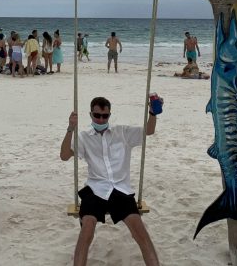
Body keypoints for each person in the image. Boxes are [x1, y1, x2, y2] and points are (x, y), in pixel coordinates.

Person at [60, 95, 163, 266]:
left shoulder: (122, 132)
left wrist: (153, 113)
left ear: (109, 115)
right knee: (86, 231)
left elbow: (149, 131)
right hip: (95, 190)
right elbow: (64, 156)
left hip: (121, 191)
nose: (100, 119)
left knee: (140, 233)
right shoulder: (83, 137)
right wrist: (70, 128)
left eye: (105, 116)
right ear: (90, 114)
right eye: (97, 115)